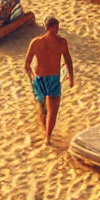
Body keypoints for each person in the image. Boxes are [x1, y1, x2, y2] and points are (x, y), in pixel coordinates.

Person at [25, 17, 74, 145]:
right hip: (39, 79)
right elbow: (27, 63)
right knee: (42, 109)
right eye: (53, 27)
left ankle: (47, 136)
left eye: (57, 27)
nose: (56, 30)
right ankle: (45, 128)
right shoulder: (36, 42)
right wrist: (32, 76)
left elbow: (68, 60)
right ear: (47, 28)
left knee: (53, 110)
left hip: (53, 78)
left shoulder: (62, 42)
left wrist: (71, 78)